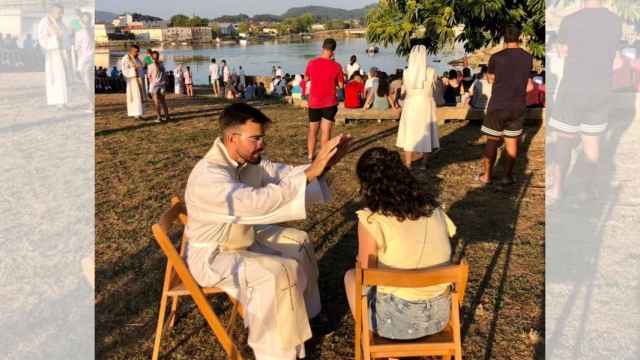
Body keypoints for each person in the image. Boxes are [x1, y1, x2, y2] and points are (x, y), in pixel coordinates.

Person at [184, 103, 352, 360]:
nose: (262, 144)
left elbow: (284, 175)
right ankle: (277, 353)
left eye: (262, 137)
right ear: (232, 138)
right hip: (214, 256)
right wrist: (310, 173)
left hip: (240, 235)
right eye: (256, 138)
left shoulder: (246, 160)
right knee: (276, 274)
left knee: (300, 243)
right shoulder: (209, 177)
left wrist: (323, 165)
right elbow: (256, 202)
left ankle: (308, 317)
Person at [344, 147, 457, 340]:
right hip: (440, 316)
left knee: (351, 276)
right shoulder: (435, 210)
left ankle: (371, 339)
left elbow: (366, 275)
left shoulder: (372, 219)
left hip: (394, 322)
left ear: (367, 184)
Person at [547, 0, 622, 203]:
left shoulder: (570, 20)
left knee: (564, 139)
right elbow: (614, 56)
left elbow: (563, 51)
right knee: (592, 140)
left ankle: (558, 188)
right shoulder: (615, 21)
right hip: (601, 90)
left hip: (573, 88)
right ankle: (586, 191)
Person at [477, 24, 533, 185]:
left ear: (504, 38)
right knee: (512, 141)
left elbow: (491, 78)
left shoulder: (496, 57)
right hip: (518, 105)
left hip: (498, 104)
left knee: (492, 141)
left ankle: (487, 176)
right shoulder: (527, 57)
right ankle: (507, 176)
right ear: (520, 37)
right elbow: (526, 81)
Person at [396, 45, 440, 168]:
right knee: (426, 132)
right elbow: (435, 88)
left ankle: (408, 163)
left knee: (410, 133)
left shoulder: (406, 72)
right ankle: (424, 164)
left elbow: (404, 89)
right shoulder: (431, 71)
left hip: (411, 104)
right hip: (426, 104)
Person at [304, 38, 345, 162]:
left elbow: (306, 79)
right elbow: (341, 85)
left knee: (312, 130)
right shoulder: (337, 66)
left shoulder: (312, 63)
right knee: (326, 131)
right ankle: (323, 157)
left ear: (323, 47)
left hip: (315, 101)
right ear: (333, 50)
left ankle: (310, 156)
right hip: (329, 102)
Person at [37, 4, 69, 109]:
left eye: (61, 13)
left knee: (64, 77)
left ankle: (63, 101)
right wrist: (55, 38)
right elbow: (41, 38)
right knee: (55, 77)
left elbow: (67, 32)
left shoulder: (60, 22)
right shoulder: (45, 22)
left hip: (62, 51)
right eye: (59, 13)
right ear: (52, 12)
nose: (60, 15)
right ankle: (57, 101)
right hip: (53, 52)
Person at [74, 11, 94, 114]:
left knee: (88, 83)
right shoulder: (78, 31)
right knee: (86, 84)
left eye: (87, 19)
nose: (85, 21)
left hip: (89, 59)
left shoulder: (90, 30)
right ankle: (91, 104)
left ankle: (91, 105)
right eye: (83, 19)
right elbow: (77, 48)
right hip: (82, 60)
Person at [119, 44, 144, 120]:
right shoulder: (126, 58)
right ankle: (135, 114)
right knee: (134, 98)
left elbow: (141, 68)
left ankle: (139, 114)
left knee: (140, 97)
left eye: (138, 51)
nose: (137, 53)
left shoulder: (137, 59)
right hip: (132, 81)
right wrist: (133, 70)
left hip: (139, 80)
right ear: (131, 51)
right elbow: (124, 70)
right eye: (136, 51)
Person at [148, 51, 170, 123]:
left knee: (156, 102)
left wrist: (150, 85)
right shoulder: (162, 64)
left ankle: (159, 117)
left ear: (152, 57)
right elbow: (165, 75)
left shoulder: (151, 65)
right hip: (162, 85)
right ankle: (167, 116)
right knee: (163, 101)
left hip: (155, 85)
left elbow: (149, 77)